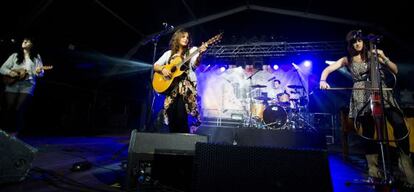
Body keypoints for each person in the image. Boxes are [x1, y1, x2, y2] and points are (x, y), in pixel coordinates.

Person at [320, 30, 414, 184]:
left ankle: (406, 167)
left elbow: (395, 70)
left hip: (381, 92)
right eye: (354, 42)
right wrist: (323, 80)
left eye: (359, 41)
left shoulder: (373, 54)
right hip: (361, 96)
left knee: (399, 124)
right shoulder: (347, 60)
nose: (357, 44)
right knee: (369, 131)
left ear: (363, 42)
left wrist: (384, 57)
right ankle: (373, 170)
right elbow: (327, 69)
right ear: (350, 45)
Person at [153, 28, 207, 133]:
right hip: (171, 89)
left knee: (182, 115)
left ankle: (184, 143)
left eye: (187, 37)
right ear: (177, 38)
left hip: (185, 89)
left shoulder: (192, 51)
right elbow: (155, 66)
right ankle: (173, 144)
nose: (186, 39)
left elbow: (195, 65)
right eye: (183, 36)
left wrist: (200, 54)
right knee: (171, 114)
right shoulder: (168, 54)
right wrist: (163, 69)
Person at [0, 37, 44, 136]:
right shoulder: (14, 56)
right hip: (13, 84)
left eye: (27, 41)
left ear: (32, 44)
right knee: (9, 107)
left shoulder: (36, 57)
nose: (24, 42)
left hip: (28, 85)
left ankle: (15, 132)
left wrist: (39, 72)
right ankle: (5, 130)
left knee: (19, 108)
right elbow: (2, 68)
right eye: (23, 40)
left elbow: (41, 73)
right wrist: (10, 72)